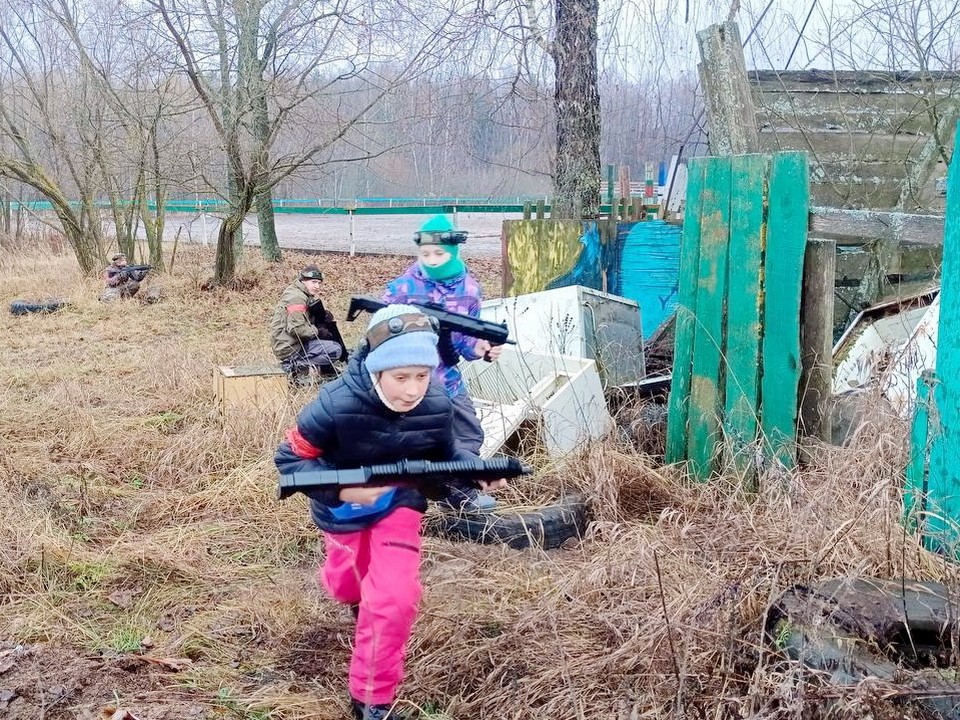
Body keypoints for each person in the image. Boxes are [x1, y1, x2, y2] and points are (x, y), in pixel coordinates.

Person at [274, 304, 505, 720]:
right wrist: (342, 489)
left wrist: (476, 472)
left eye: (422, 375)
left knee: (394, 598)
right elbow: (291, 460)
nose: (413, 390)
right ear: (377, 370)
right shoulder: (334, 405)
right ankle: (359, 603)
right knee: (346, 586)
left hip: (400, 503)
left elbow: (446, 457)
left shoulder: (437, 403)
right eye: (401, 377)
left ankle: (371, 701)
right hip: (341, 513)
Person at [382, 215, 503, 512]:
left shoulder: (469, 290)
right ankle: (405, 500)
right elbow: (379, 329)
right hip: (408, 381)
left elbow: (465, 338)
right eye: (425, 254)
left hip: (447, 378)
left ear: (453, 251)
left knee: (468, 433)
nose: (432, 260)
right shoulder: (403, 288)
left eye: (439, 253)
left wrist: (479, 347)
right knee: (410, 441)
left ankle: (457, 494)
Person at [270, 265, 345, 384]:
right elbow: (296, 329)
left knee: (329, 340)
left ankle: (326, 370)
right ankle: (293, 366)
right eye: (313, 282)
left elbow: (302, 318)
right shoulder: (296, 298)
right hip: (289, 348)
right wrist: (317, 331)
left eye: (319, 283)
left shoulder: (299, 293)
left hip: (292, 343)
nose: (317, 286)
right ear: (303, 281)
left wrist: (320, 317)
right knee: (335, 350)